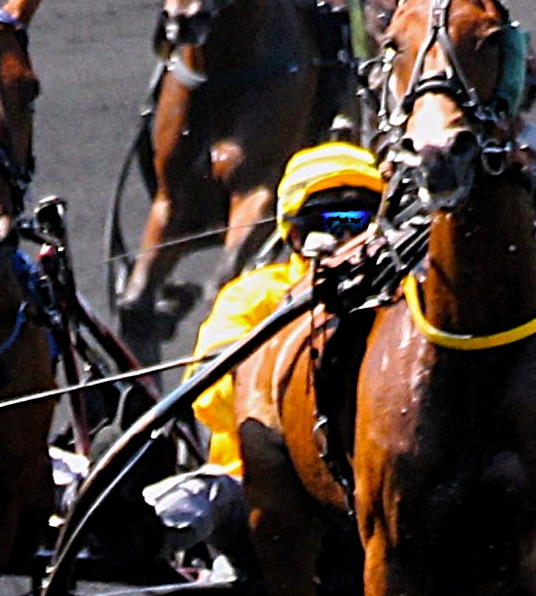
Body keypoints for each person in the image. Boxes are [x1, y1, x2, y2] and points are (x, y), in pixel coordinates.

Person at [140, 141, 391, 563]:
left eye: (360, 221)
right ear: (293, 232)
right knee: (211, 496)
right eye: (329, 223)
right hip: (258, 491)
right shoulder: (253, 297)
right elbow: (209, 402)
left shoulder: (403, 299)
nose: (346, 237)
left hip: (382, 490)